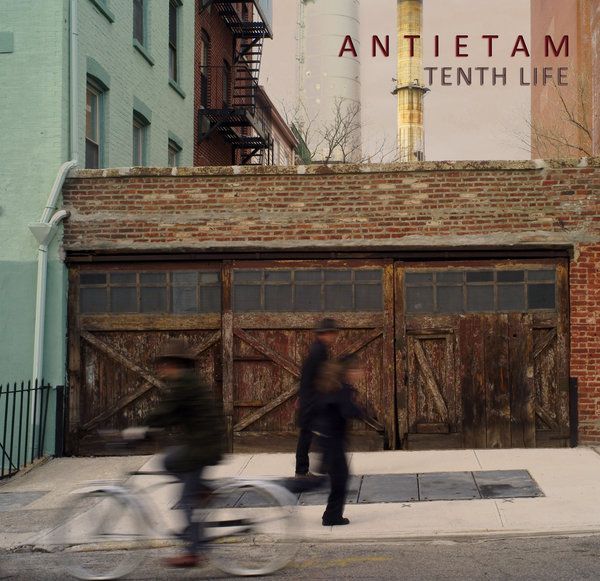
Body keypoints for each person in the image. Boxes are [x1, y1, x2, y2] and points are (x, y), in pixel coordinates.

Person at [124, 338, 226, 568]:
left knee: (186, 498)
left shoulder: (184, 383)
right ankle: (202, 489)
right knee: (169, 460)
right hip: (203, 443)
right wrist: (148, 431)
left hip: (203, 447)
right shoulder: (187, 382)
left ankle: (193, 552)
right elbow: (172, 415)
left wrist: (139, 430)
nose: (162, 369)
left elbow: (164, 412)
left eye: (165, 364)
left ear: (175, 364)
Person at [313, 354, 364, 526]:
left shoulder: (332, 385)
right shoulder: (342, 389)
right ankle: (331, 516)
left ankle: (331, 514)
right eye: (357, 370)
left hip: (326, 439)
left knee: (335, 478)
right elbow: (347, 410)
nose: (360, 373)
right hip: (332, 441)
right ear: (349, 372)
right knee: (339, 478)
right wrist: (361, 411)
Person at [295, 318, 339, 478]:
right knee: (311, 434)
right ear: (325, 334)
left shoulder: (319, 349)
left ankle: (307, 469)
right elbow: (315, 377)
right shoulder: (319, 351)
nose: (334, 337)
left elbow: (307, 376)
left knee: (310, 434)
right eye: (332, 334)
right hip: (313, 400)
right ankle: (303, 470)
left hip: (311, 398)